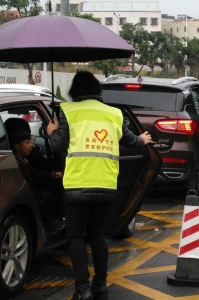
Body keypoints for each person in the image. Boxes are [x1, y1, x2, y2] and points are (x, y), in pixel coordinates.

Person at [46, 71, 152, 300]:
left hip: (77, 184)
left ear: (75, 91)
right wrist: (143, 140)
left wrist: (51, 132)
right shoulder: (113, 113)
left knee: (75, 237)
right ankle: (100, 285)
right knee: (97, 235)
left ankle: (82, 290)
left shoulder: (68, 111)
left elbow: (57, 146)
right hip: (106, 184)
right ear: (97, 90)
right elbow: (131, 142)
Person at [9, 130, 65, 230]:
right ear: (17, 147)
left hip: (27, 189)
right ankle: (48, 219)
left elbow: (35, 173)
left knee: (48, 194)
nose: (31, 145)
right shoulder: (16, 162)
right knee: (45, 197)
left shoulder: (24, 160)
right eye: (27, 142)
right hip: (22, 192)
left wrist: (51, 175)